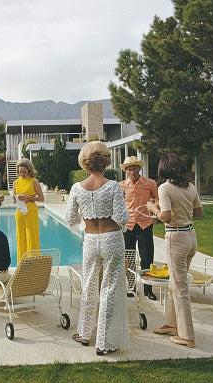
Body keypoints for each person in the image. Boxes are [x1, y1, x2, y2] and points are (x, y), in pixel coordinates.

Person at [66, 141, 130, 356]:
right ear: (105, 163)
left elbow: (71, 218)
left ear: (85, 164)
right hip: (111, 238)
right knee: (110, 287)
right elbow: (122, 218)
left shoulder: (77, 188)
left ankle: (84, 333)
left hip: (91, 240)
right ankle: (103, 342)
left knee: (90, 285)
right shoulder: (113, 186)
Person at [146, 153, 203, 349]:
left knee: (180, 289)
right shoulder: (191, 187)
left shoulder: (164, 188)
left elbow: (167, 217)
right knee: (174, 282)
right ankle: (171, 324)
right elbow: (199, 213)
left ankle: (187, 336)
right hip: (191, 237)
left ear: (164, 169)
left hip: (176, 238)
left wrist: (153, 208)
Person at [119, 156, 159, 301]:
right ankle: (131, 286)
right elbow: (118, 204)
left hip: (145, 224)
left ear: (139, 168)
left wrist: (155, 215)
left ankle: (148, 289)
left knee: (147, 257)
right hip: (128, 225)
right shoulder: (121, 185)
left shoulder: (150, 183)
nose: (132, 171)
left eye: (135, 168)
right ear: (126, 171)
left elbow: (157, 199)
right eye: (129, 168)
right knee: (128, 257)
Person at [12, 158, 44, 262]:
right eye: (20, 171)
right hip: (19, 212)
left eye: (24, 172)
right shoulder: (15, 183)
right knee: (20, 238)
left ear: (29, 170)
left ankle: (34, 263)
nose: (22, 174)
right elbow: (13, 199)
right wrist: (17, 197)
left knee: (32, 237)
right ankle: (22, 263)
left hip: (31, 211)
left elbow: (41, 198)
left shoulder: (34, 181)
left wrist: (29, 198)